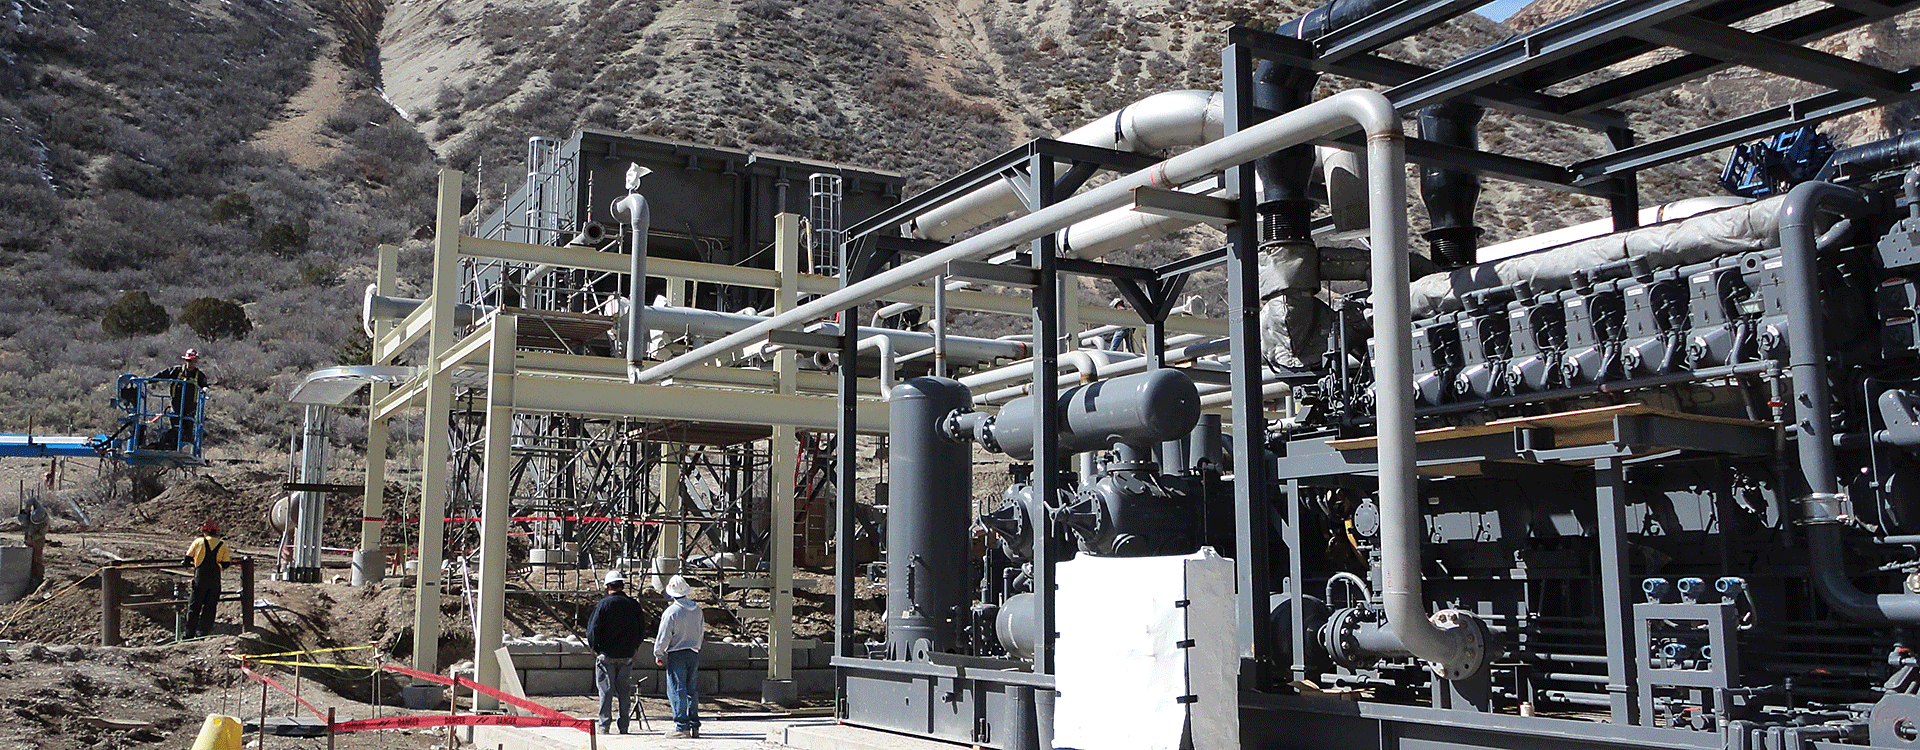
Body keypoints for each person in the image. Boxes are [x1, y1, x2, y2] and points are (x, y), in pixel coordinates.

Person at [586, 570, 644, 734]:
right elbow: (641, 629)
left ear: (608, 587)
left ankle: (604, 725)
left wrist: (595, 648)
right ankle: (624, 725)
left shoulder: (604, 604)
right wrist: (634, 648)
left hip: (607, 654)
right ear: (622, 585)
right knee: (624, 691)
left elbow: (593, 629)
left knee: (606, 690)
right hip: (626, 655)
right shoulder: (633, 605)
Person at [654, 574, 703, 739]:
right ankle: (694, 725)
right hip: (693, 652)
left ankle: (682, 726)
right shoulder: (697, 610)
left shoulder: (671, 612)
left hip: (677, 653)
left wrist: (659, 653)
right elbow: (701, 632)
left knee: (677, 689)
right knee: (691, 690)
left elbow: (664, 635)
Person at [181, 520, 232, 638]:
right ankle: (202, 633)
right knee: (210, 607)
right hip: (214, 580)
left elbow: (186, 560)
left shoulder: (198, 542)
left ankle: (189, 634)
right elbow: (226, 563)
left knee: (194, 606)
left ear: (204, 531)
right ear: (215, 532)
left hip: (200, 579)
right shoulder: (221, 544)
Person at [152, 349, 209, 451]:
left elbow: (204, 385)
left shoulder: (199, 375)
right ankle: (172, 448)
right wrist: (150, 380)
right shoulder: (177, 371)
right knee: (176, 428)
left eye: (192, 361)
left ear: (196, 361)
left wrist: (205, 389)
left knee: (187, 431)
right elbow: (163, 374)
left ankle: (185, 450)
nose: (190, 363)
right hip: (176, 406)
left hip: (190, 408)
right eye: (188, 360)